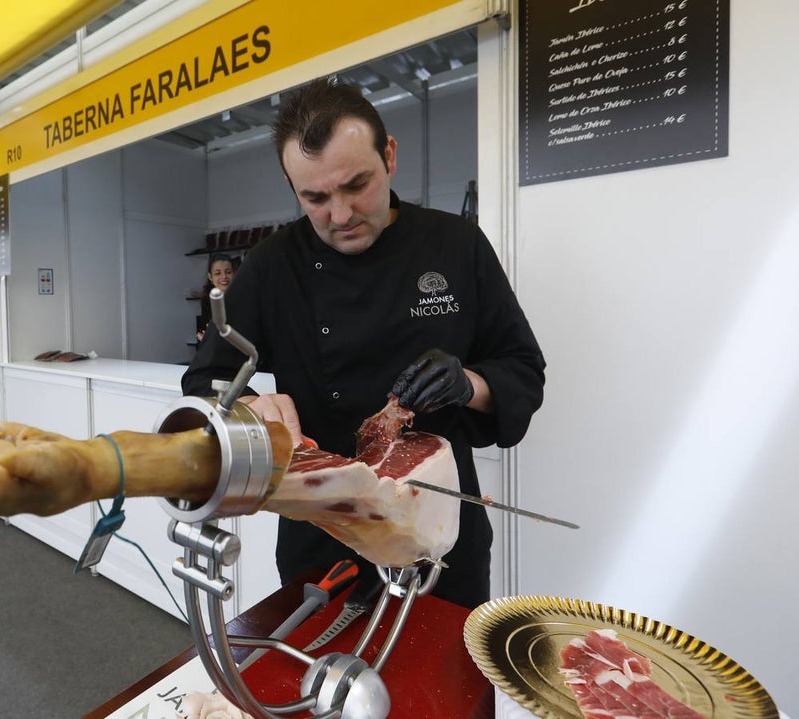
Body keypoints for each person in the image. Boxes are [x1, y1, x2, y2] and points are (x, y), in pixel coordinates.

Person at [181, 78, 546, 610]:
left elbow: (523, 369)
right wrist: (249, 407)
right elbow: (204, 380)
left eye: (357, 185)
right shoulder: (272, 265)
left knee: (448, 685)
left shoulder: (455, 244)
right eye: (316, 197)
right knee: (323, 682)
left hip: (441, 530)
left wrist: (467, 383)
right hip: (323, 539)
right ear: (292, 187)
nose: (341, 214)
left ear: (390, 156)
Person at [195, 253, 236, 342]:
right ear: (210, 277)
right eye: (218, 273)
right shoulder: (207, 301)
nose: (224, 277)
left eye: (228, 272)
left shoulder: (243, 298)